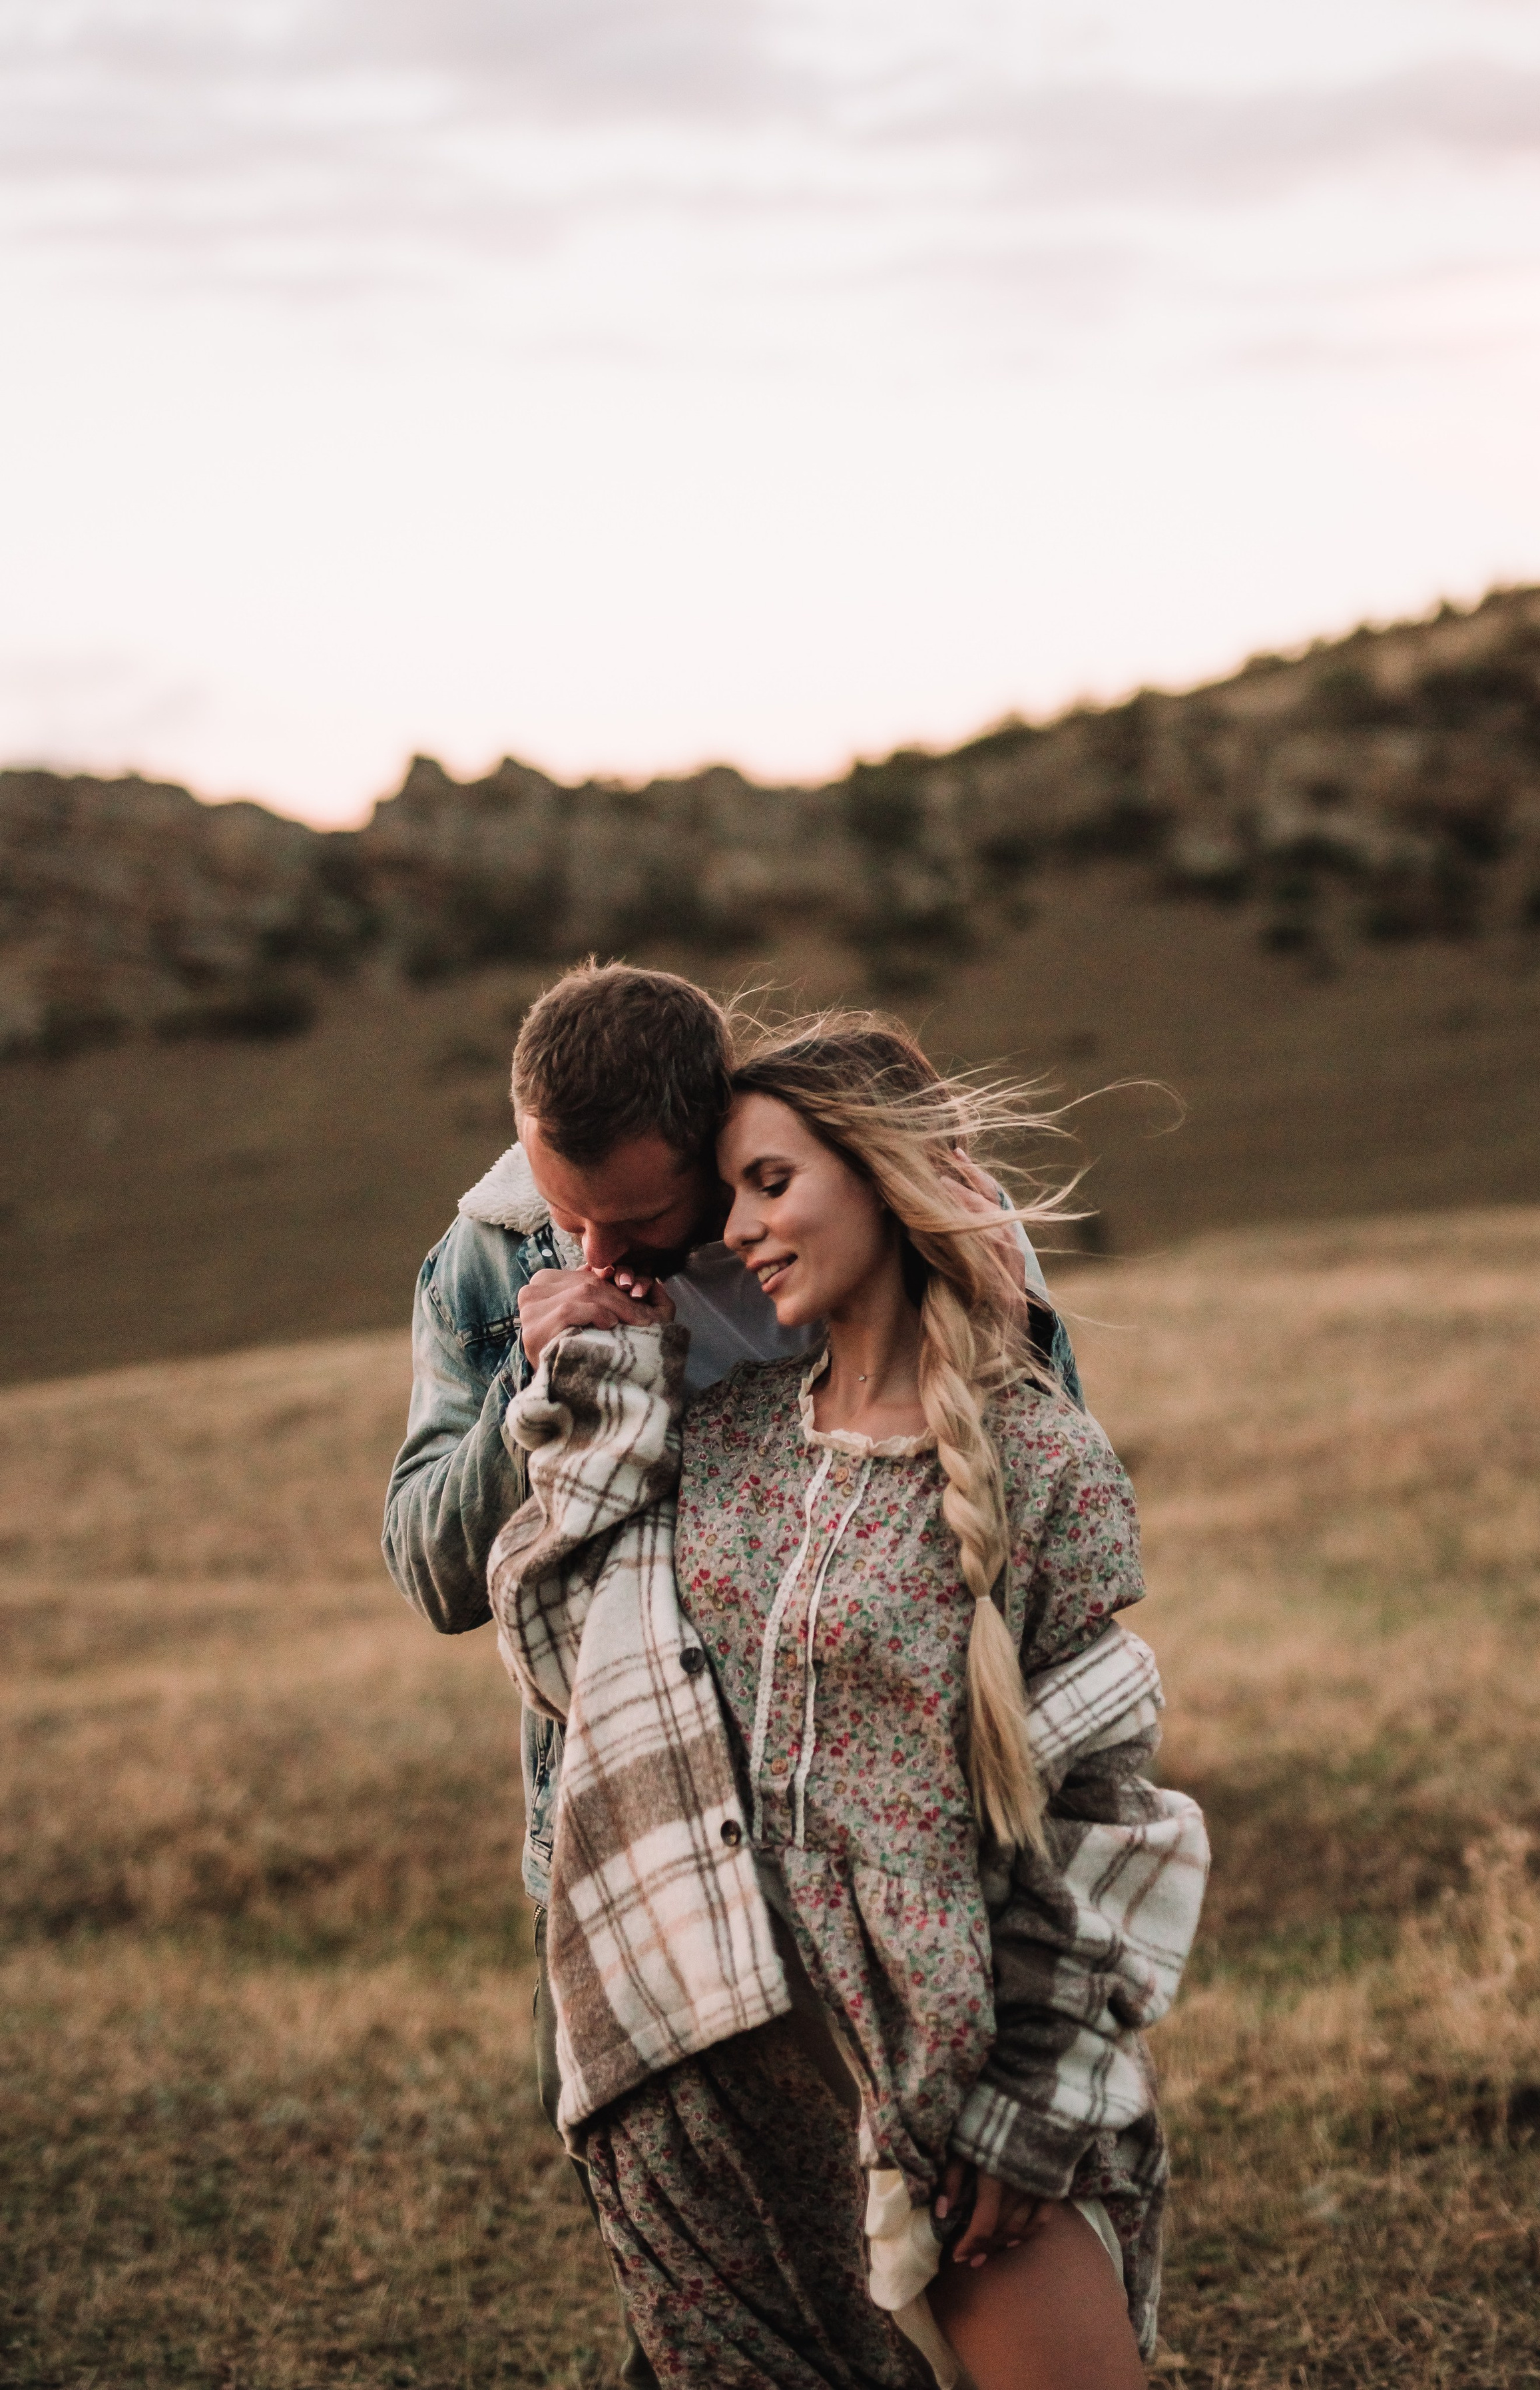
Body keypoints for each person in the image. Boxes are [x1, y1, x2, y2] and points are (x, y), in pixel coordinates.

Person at [381, 964, 1082, 2384]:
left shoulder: (840, 1215)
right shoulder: (491, 1257)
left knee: (923, 2277)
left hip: (880, 1841)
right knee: (705, 2297)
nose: (592, 1248)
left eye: (636, 1221)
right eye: (563, 1204)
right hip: (624, 1843)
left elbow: (1039, 1504)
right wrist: (533, 1388)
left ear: (712, 1144)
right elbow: (431, 1569)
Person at [488, 1018, 1208, 2389]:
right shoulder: (723, 1439)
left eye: (771, 1183)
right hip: (713, 2077)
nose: (736, 1231)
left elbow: (1099, 1813)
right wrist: (593, 1375)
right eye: (729, 1193)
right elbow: (563, 1650)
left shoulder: (1042, 1456)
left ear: (883, 1176)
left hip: (945, 2087)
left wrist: (1029, 2099)